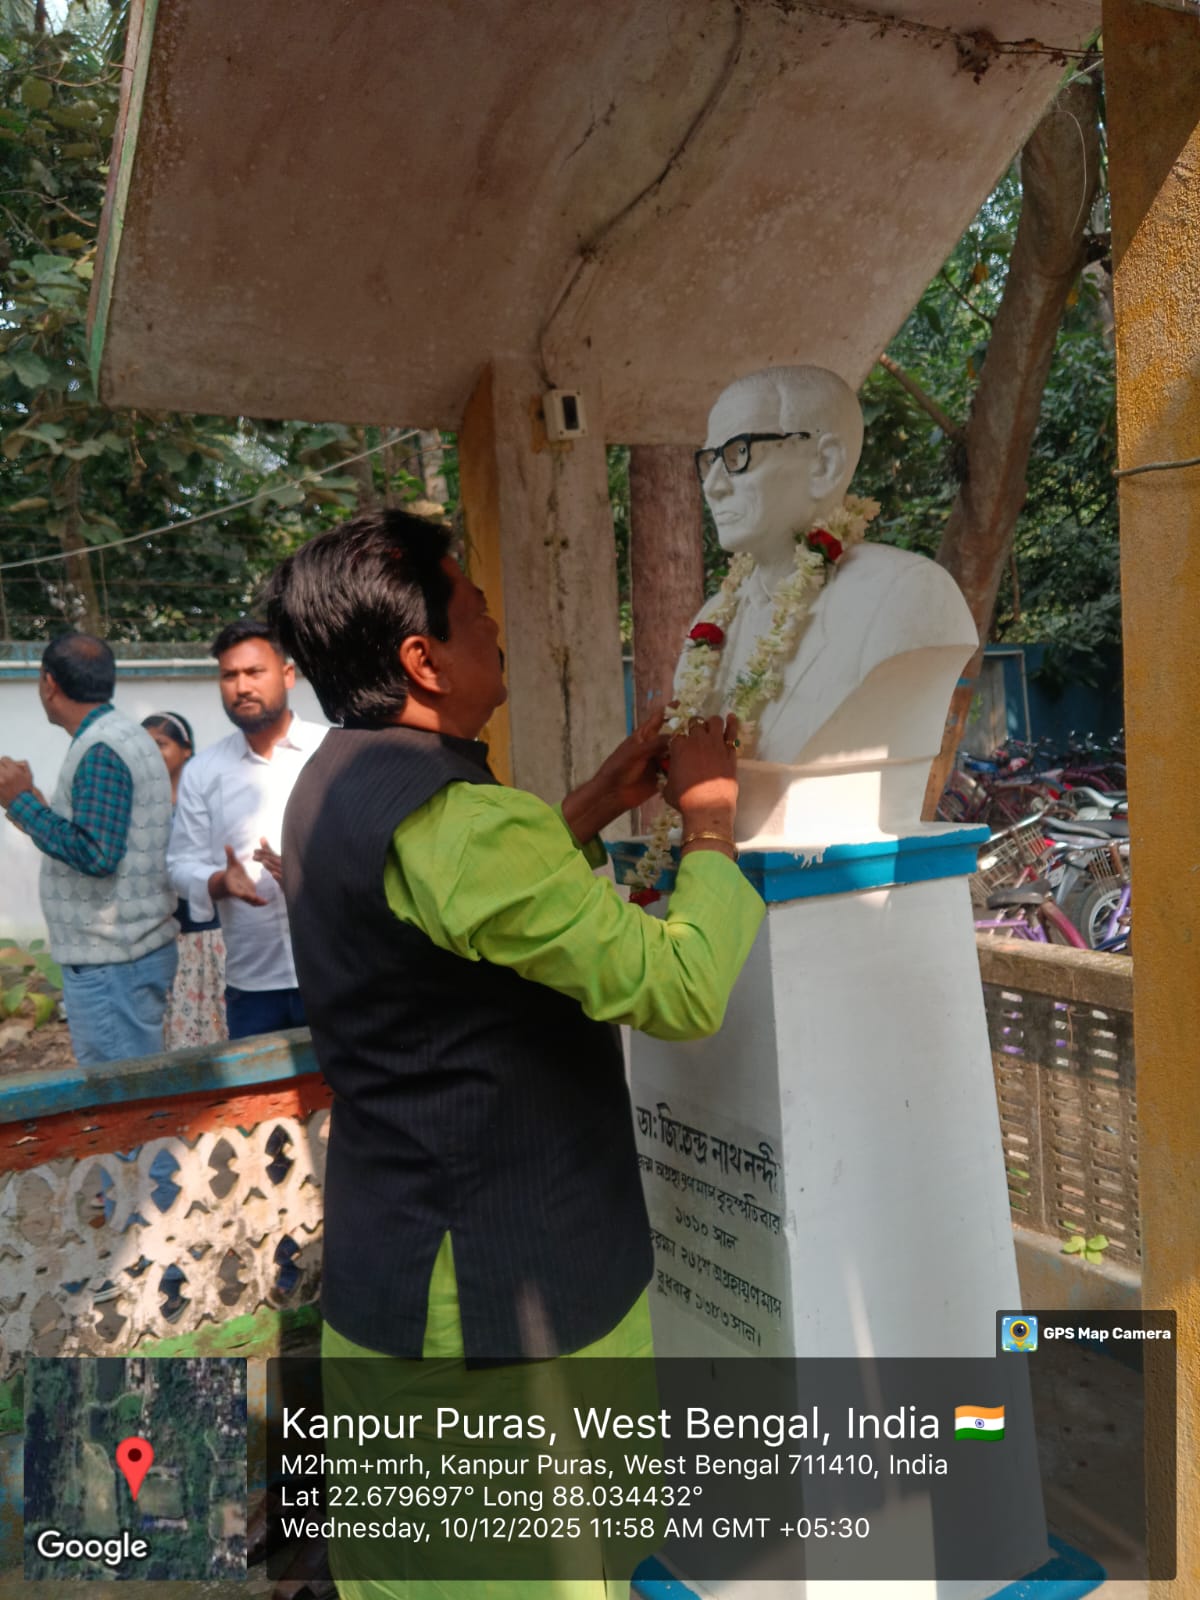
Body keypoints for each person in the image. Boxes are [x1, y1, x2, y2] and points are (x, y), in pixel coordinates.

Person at [263, 509, 764, 1599]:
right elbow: (677, 987)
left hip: (394, 1259)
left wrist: (589, 804)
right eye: (478, 611)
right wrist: (713, 821)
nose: (497, 629)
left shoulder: (335, 778)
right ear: (422, 658)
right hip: (500, 1292)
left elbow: (460, 913)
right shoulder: (462, 822)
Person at [0, 633, 177, 1065]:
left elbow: (97, 854)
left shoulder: (101, 749)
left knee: (122, 1100)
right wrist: (37, 803)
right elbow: (102, 834)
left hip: (112, 963)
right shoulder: (120, 735)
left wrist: (18, 803)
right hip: (125, 956)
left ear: (48, 683)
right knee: (137, 1090)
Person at [166, 619, 325, 1040]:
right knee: (259, 1105)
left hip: (333, 973)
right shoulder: (204, 771)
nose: (241, 687)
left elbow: (370, 853)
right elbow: (180, 864)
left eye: (255, 672)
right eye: (229, 675)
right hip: (252, 986)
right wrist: (219, 881)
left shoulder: (331, 753)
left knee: (342, 1100)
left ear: (287, 675)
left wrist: (312, 874)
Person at [142, 712, 228, 1050]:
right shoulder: (142, 808)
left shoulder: (204, 801)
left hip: (205, 933)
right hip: (162, 934)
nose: (151, 754)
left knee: (218, 1023)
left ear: (186, 750)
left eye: (160, 744)